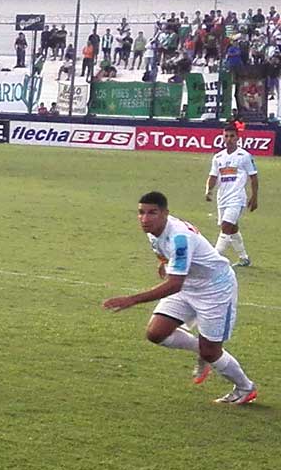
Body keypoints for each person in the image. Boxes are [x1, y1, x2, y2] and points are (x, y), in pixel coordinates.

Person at [102, 191, 257, 404]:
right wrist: (165, 264)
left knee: (212, 351)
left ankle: (245, 388)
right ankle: (199, 350)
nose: (145, 219)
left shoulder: (180, 238)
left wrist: (132, 299)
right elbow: (169, 261)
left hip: (215, 289)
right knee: (156, 333)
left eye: (152, 213)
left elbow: (174, 284)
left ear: (166, 213)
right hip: (188, 285)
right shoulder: (153, 231)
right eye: (141, 213)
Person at [205, 125, 259, 267]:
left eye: (232, 136)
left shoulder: (244, 156)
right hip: (222, 198)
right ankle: (244, 258)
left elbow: (254, 177)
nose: (229, 139)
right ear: (223, 137)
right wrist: (208, 190)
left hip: (237, 198)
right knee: (232, 228)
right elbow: (213, 176)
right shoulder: (218, 157)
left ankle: (214, 260)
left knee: (226, 226)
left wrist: (254, 197)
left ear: (237, 138)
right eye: (226, 136)